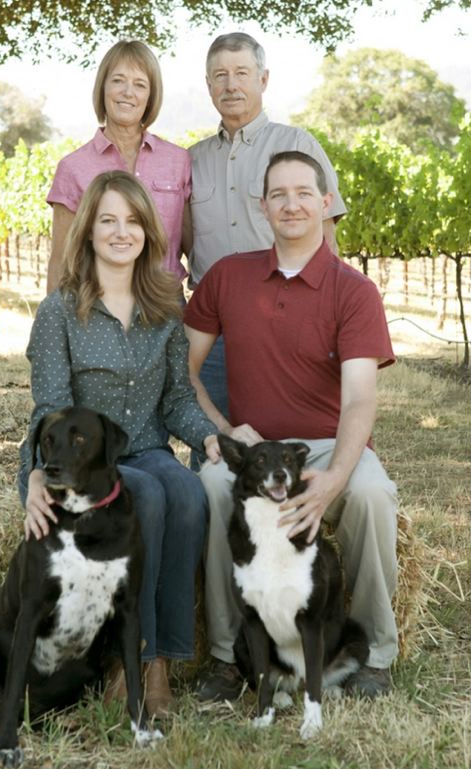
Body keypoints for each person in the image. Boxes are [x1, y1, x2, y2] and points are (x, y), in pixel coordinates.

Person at [184, 151, 399, 702]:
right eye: (278, 194)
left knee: (372, 494)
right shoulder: (228, 276)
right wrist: (226, 430)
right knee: (211, 485)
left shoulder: (354, 290)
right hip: (255, 453)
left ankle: (374, 654)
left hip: (327, 446)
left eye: (304, 192)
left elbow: (359, 401)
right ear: (263, 206)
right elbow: (183, 372)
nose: (291, 204)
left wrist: (334, 480)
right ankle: (228, 656)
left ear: (325, 203)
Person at [19, 170, 219, 716]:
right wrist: (36, 473)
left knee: (187, 492)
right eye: (107, 220)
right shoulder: (60, 311)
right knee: (146, 496)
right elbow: (49, 411)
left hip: (148, 449)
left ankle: (165, 660)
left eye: (132, 221)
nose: (120, 232)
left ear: (148, 232)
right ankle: (130, 657)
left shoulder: (165, 309)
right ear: (87, 230)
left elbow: (177, 401)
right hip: (86, 464)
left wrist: (211, 436)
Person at [184, 32, 347, 453]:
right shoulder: (192, 160)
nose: (231, 85)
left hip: (287, 320)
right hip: (212, 331)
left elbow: (328, 242)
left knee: (293, 446)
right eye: (220, 75)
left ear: (263, 79)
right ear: (208, 84)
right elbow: (181, 241)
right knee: (216, 452)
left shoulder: (297, 145)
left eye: (242, 73)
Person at [46, 40, 191, 293]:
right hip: (96, 306)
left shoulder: (178, 161)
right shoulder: (73, 168)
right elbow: (61, 261)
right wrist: (53, 317)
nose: (128, 92)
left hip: (166, 306)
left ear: (151, 95)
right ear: (103, 87)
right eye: (118, 80)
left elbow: (195, 247)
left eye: (140, 84)